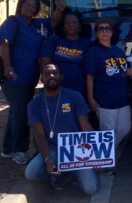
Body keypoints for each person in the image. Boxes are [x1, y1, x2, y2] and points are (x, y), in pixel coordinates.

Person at [0, 0, 64, 165]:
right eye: (27, 4)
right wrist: (7, 66)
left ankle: (7, 149)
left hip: (29, 78)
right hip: (13, 78)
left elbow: (54, 22)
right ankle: (19, 150)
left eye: (34, 6)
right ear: (20, 5)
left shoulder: (36, 24)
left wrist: (59, 9)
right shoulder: (12, 22)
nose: (30, 8)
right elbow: (4, 43)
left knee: (15, 112)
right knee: (21, 113)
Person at [85, 19, 132, 165]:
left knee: (125, 129)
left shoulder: (118, 51)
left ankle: (105, 154)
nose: (104, 31)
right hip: (105, 100)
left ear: (112, 32)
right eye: (101, 29)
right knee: (107, 133)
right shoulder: (93, 52)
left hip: (122, 99)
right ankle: (106, 161)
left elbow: (124, 71)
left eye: (107, 28)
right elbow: (89, 77)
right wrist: (90, 98)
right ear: (96, 33)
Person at [24, 63, 100, 194]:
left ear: (61, 77)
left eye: (55, 73)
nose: (51, 76)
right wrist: (47, 159)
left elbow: (86, 127)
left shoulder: (74, 97)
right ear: (41, 79)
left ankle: (74, 172)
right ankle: (59, 174)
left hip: (78, 149)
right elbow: (40, 136)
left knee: (91, 188)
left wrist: (96, 158)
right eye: (47, 74)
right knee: (31, 173)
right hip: (53, 149)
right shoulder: (34, 104)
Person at [39, 11, 91, 96]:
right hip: (57, 89)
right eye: (67, 22)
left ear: (79, 27)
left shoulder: (87, 44)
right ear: (63, 26)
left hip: (79, 91)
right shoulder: (54, 41)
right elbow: (45, 63)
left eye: (74, 22)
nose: (71, 24)